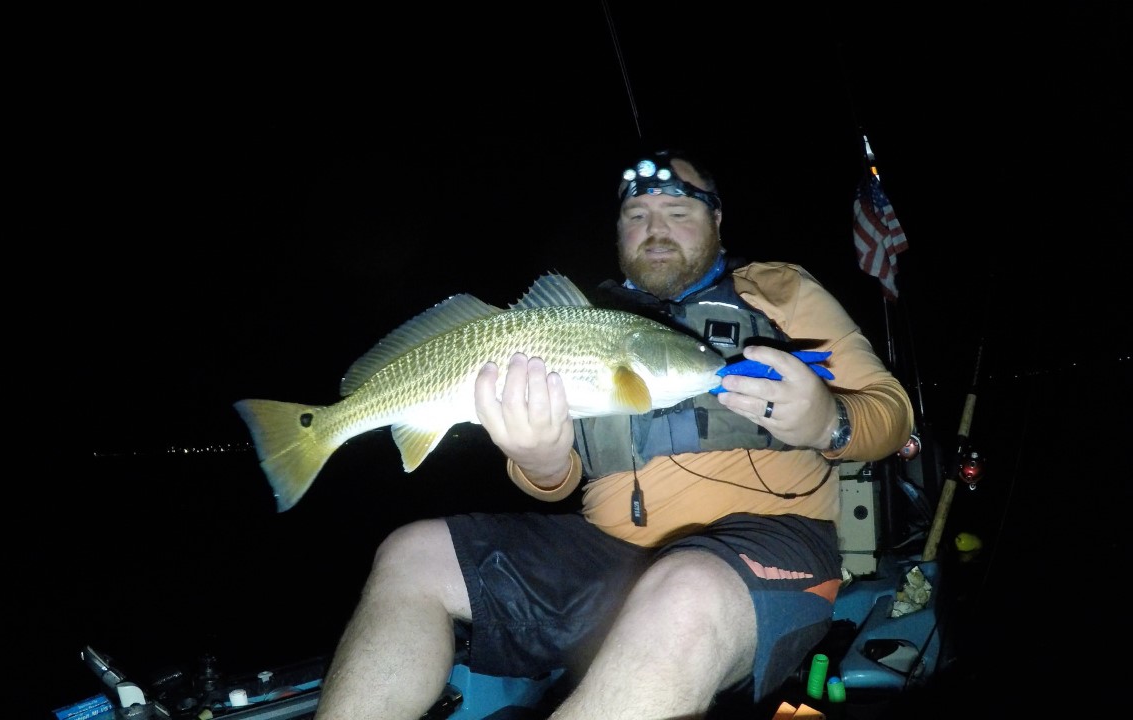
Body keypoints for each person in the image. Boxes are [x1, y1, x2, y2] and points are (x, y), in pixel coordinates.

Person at [311, 148, 915, 719]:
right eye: (637, 215)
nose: (657, 229)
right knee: (411, 554)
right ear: (619, 231)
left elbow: (892, 413)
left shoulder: (780, 289)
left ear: (717, 220)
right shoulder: (580, 324)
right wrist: (539, 461)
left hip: (767, 549)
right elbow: (556, 482)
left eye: (678, 212)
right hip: (602, 557)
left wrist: (827, 421)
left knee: (684, 591)